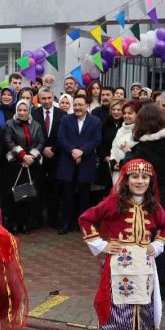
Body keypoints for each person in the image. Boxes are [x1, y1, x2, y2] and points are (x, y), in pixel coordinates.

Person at [80, 160, 165, 330]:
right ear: (126, 180)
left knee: (140, 314)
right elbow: (86, 218)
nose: (140, 181)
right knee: (115, 314)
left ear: (150, 181)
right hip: (117, 267)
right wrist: (101, 244)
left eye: (144, 177)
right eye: (135, 177)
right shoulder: (113, 203)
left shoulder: (154, 206)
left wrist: (157, 245)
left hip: (144, 269)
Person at [123, 103, 165, 300]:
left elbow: (131, 167)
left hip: (157, 199)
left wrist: (128, 152)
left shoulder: (144, 148)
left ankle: (159, 286)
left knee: (156, 242)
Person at [56, 94, 102, 234]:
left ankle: (84, 225)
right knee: (67, 196)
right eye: (75, 105)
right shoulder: (66, 119)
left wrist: (82, 152)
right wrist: (73, 151)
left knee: (84, 197)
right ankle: (66, 224)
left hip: (86, 163)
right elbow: (61, 138)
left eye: (80, 105)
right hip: (68, 163)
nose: (77, 107)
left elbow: (96, 139)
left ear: (87, 106)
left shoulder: (95, 121)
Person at [1, 100, 44, 234]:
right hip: (15, 164)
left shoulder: (36, 125)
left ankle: (26, 223)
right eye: (19, 110)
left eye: (25, 110)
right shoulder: (9, 124)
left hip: (31, 165)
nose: (22, 113)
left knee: (28, 194)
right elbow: (8, 141)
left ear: (29, 111)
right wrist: (22, 156)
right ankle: (14, 223)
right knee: (14, 195)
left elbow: (41, 142)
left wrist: (30, 157)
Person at [32, 87, 65, 229]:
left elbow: (63, 135)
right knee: (38, 189)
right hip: (38, 158)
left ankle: (53, 219)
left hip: (56, 158)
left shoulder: (62, 114)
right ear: (39, 99)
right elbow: (31, 135)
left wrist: (53, 149)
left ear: (53, 97)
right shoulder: (33, 114)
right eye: (43, 98)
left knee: (54, 191)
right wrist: (43, 148)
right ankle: (37, 219)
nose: (46, 101)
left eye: (49, 98)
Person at [98, 100, 126, 192]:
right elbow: (99, 143)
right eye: (113, 109)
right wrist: (105, 157)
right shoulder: (105, 124)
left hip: (123, 164)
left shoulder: (126, 125)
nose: (116, 112)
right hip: (107, 164)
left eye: (119, 109)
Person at [108, 100, 139, 184]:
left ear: (138, 114)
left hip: (131, 173)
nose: (126, 116)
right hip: (116, 172)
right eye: (124, 113)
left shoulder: (140, 132)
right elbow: (113, 148)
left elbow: (138, 154)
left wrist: (122, 164)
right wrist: (113, 162)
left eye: (130, 113)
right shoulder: (120, 130)